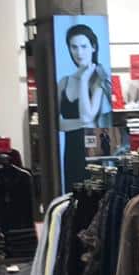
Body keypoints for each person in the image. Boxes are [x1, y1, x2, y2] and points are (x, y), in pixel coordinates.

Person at [57, 23, 109, 188]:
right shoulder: (64, 81)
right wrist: (84, 124)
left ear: (93, 47)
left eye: (84, 46)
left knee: (94, 195)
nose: (79, 53)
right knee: (71, 195)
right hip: (71, 151)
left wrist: (84, 79)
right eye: (74, 47)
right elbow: (58, 123)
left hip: (93, 150)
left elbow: (87, 116)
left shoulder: (99, 78)